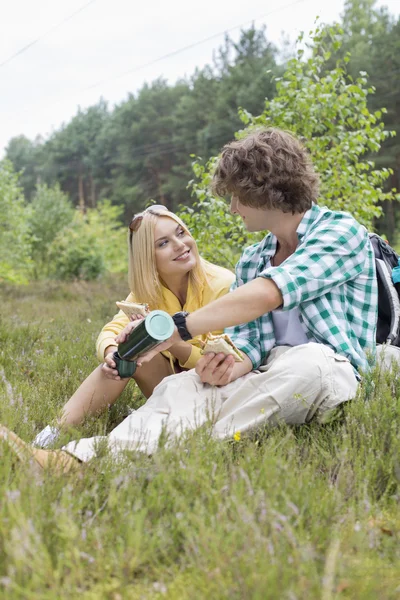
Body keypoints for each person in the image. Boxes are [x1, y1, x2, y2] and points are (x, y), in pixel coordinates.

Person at [1, 128, 378, 470]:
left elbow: (269, 294)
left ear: (261, 189)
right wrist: (232, 366)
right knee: (181, 387)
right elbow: (253, 340)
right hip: (267, 373)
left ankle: (166, 451)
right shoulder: (252, 258)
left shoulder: (340, 231)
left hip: (333, 368)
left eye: (235, 197)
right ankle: (71, 462)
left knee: (307, 361)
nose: (232, 208)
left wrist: (178, 330)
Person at [32, 205, 235, 449]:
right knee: (124, 354)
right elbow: (111, 330)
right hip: (169, 384)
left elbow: (226, 364)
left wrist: (173, 343)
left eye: (181, 233)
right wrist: (110, 353)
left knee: (144, 347)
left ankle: (141, 423)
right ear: (147, 258)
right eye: (163, 243)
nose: (180, 244)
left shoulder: (224, 285)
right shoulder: (148, 290)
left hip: (214, 389)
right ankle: (49, 436)